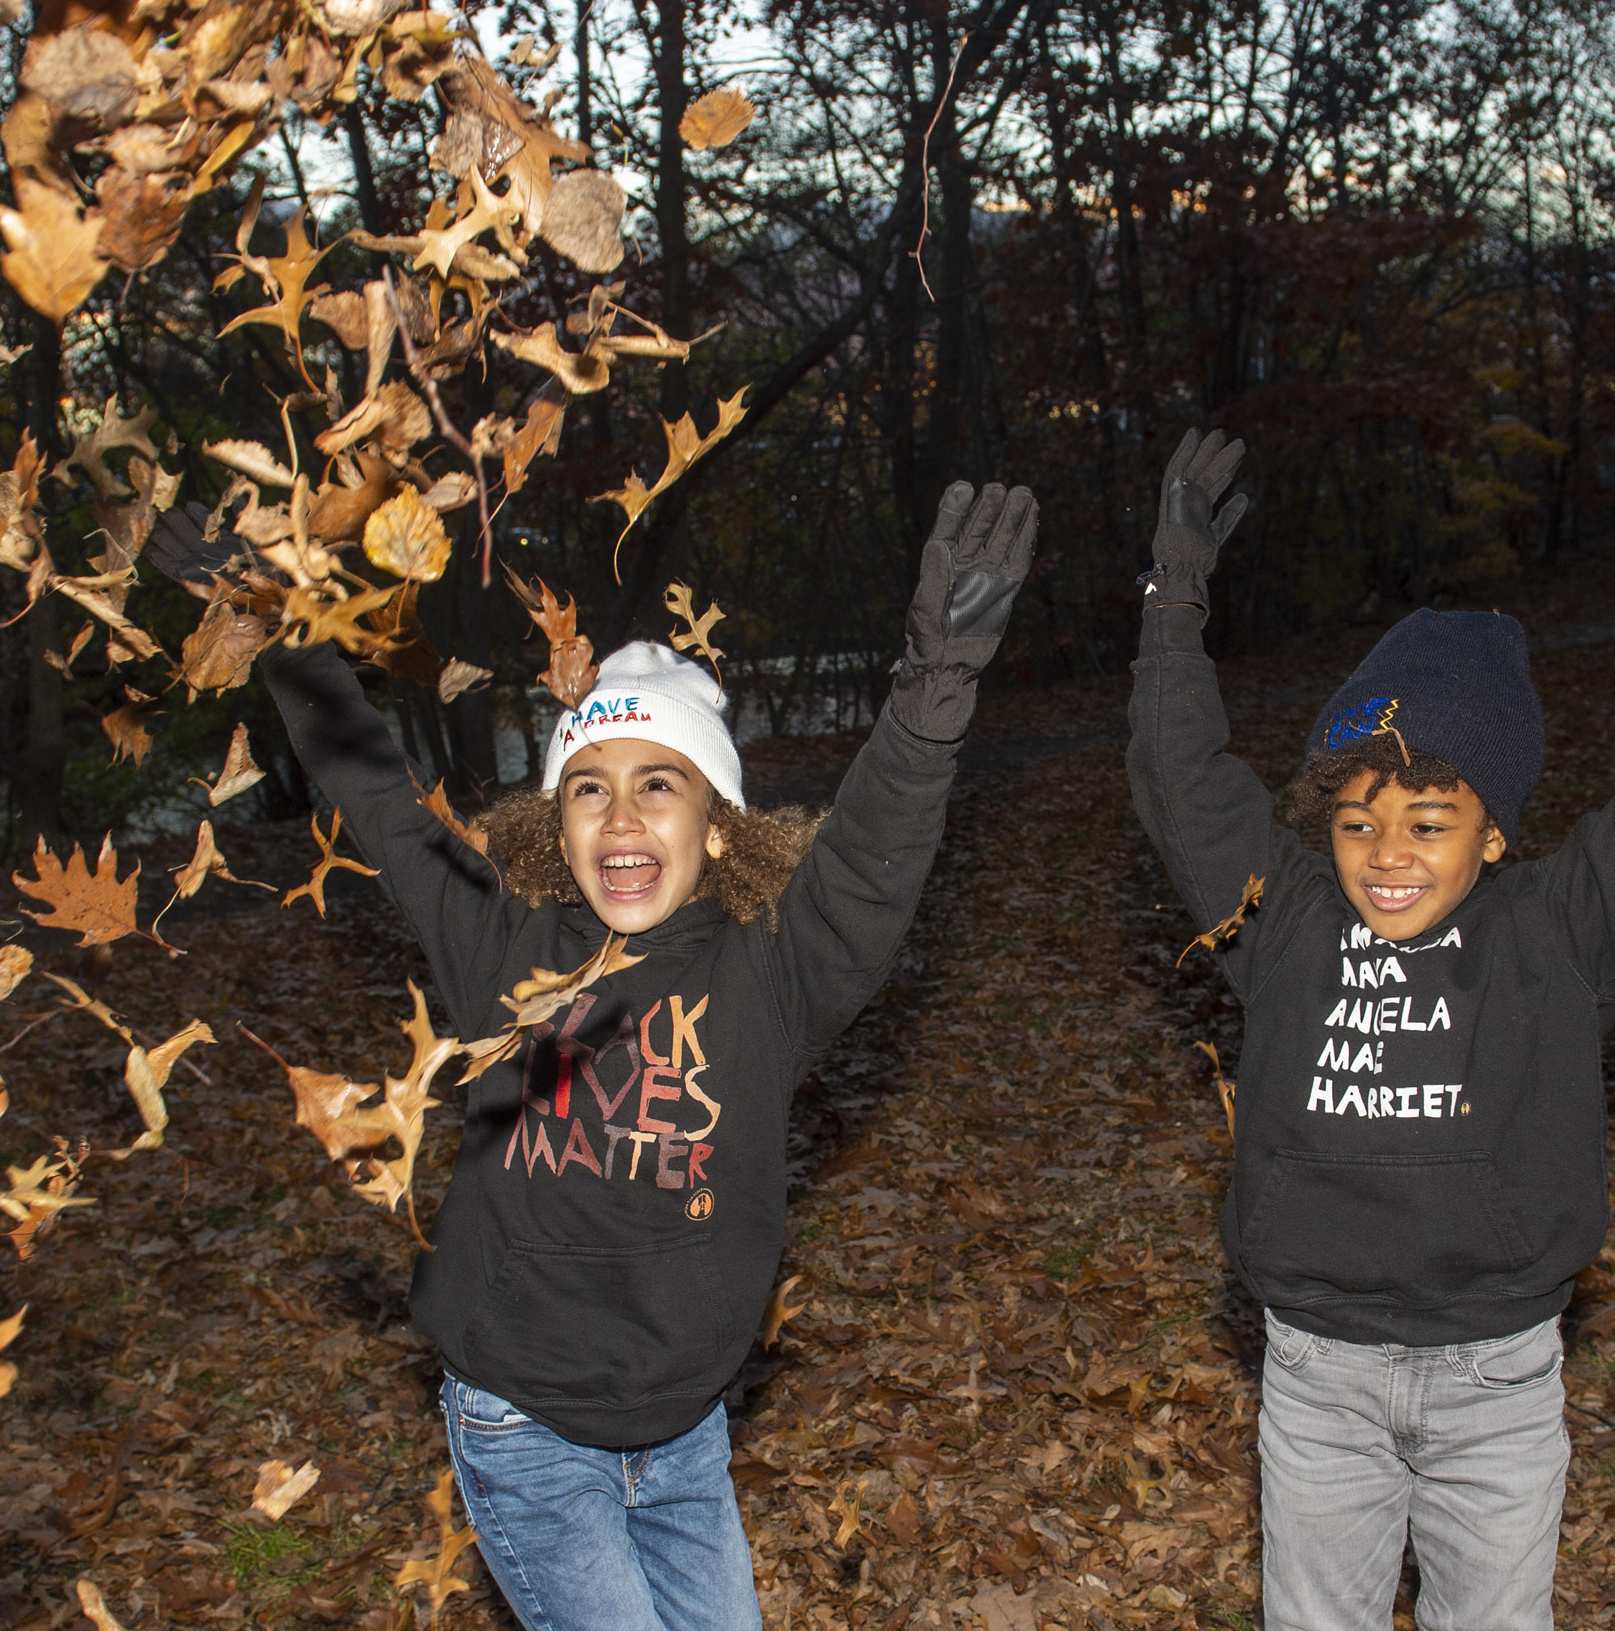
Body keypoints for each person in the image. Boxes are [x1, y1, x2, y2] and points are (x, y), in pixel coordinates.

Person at [159, 478, 1038, 1630]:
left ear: (716, 822)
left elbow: (871, 857)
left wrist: (936, 687)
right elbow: (372, 785)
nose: (621, 822)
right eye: (588, 791)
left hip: (685, 1431)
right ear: (553, 824)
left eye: (656, 787)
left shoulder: (773, 971)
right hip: (525, 1426)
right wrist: (271, 620)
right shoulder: (502, 942)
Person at [1123, 376, 1615, 1630]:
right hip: (1318, 1373)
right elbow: (1175, 772)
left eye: (1429, 821)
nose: (1385, 851)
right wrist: (1173, 594)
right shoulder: (1287, 918)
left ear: (1492, 833)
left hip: (1498, 1378)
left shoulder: (1559, 928)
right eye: (1357, 818)